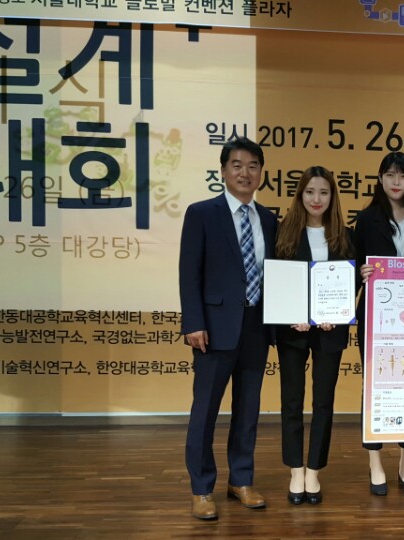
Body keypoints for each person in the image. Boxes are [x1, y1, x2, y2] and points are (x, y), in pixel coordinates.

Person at [179, 137, 277, 521]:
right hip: (213, 329)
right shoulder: (202, 213)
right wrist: (193, 322)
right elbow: (190, 272)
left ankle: (241, 480)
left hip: (256, 326)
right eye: (237, 165)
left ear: (261, 173)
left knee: (248, 409)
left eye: (253, 166)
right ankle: (201, 488)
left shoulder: (268, 219)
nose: (245, 173)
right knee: (205, 411)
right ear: (223, 171)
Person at [353, 151, 404, 496]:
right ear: (380, 179)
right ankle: (375, 463)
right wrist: (361, 272)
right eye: (389, 174)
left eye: (401, 175)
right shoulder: (366, 218)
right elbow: (354, 266)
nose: (396, 181)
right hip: (377, 316)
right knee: (374, 387)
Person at [274, 166, 355, 506]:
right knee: (291, 400)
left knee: (323, 401)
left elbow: (353, 281)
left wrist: (336, 313)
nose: (316, 199)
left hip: (329, 331)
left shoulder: (345, 235)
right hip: (292, 330)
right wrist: (292, 313)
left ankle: (314, 470)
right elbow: (276, 279)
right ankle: (295, 469)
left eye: (323, 192)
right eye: (310, 192)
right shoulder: (284, 231)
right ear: (300, 195)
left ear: (332, 196)